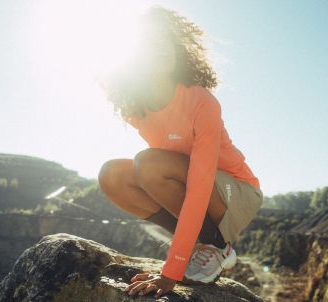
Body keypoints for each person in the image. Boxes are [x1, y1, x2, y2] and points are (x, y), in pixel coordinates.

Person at [97, 4, 263, 299]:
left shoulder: (201, 101)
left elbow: (198, 183)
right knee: (113, 175)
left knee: (148, 164)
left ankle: (216, 244)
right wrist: (181, 253)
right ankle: (205, 244)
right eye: (150, 44)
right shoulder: (137, 111)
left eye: (165, 41)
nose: (161, 48)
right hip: (193, 187)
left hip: (235, 192)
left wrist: (170, 272)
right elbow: (166, 179)